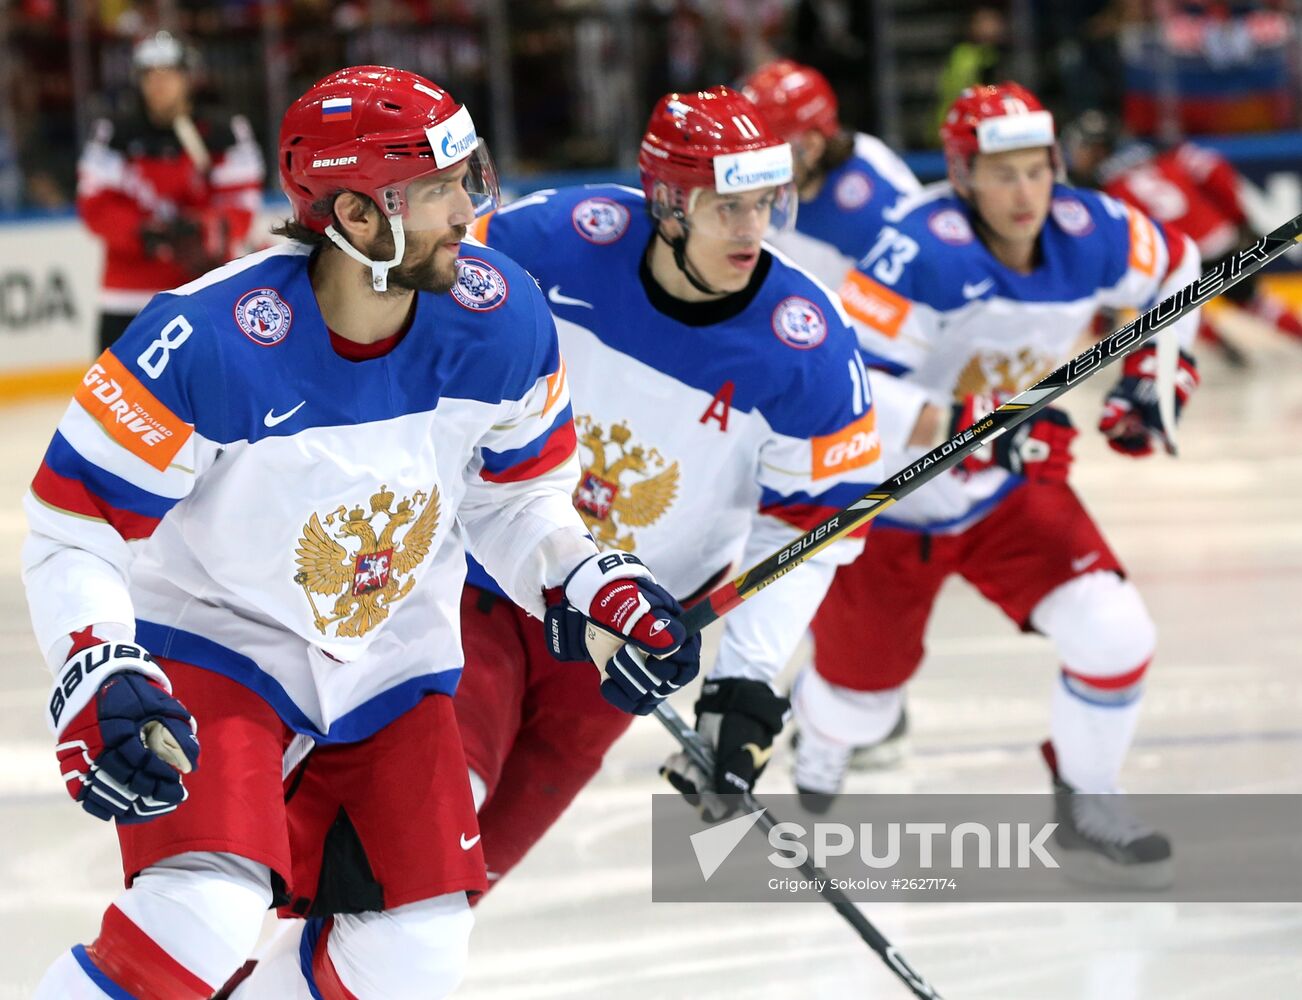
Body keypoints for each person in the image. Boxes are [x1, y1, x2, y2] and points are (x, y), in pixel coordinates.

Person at [24, 65, 697, 1000]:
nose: (467, 212)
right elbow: (74, 519)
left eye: (467, 180)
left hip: (392, 658)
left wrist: (590, 580)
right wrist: (97, 663)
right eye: (434, 192)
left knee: (414, 952)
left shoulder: (500, 318)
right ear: (354, 218)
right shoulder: (207, 339)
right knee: (199, 922)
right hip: (221, 643)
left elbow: (515, 497)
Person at [455, 84, 884, 886]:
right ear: (669, 203)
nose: (752, 227)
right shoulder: (551, 242)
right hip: (484, 586)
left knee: (464, 884)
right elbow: (428, 325)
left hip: (631, 641)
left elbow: (809, 527)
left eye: (766, 202)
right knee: (425, 836)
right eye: (728, 205)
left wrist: (744, 681)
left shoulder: (809, 345)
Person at [792, 82, 1203, 889]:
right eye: (1002, 174)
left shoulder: (1090, 231)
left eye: (1037, 170)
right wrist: (969, 420)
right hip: (890, 507)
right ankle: (824, 724)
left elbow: (1177, 266)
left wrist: (1159, 370)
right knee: (858, 705)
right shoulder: (919, 252)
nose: (1025, 194)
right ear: (960, 173)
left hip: (1008, 488)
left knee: (1116, 633)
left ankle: (1091, 802)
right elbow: (847, 396)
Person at [741, 56, 919, 767]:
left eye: (772, 144)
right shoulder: (802, 178)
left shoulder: (870, 206)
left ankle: (859, 707)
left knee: (831, 553)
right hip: (815, 386)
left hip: (871, 397)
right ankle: (860, 703)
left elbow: (907, 319)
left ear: (811, 144)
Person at [76, 30, 265, 352]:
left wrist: (205, 228)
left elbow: (241, 204)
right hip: (127, 294)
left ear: (188, 78)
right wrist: (141, 232)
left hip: (203, 290)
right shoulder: (113, 133)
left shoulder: (224, 131)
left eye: (169, 73)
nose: (159, 83)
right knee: (112, 399)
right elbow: (94, 206)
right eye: (150, 74)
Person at [1065, 108, 1302, 354]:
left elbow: (1112, 248)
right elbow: (1215, 170)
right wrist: (1240, 219)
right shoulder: (1163, 150)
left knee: (1167, 305)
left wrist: (1106, 311)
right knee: (1254, 301)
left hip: (1176, 255)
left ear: (1098, 150)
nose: (1075, 156)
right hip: (1215, 239)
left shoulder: (1098, 191)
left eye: (1080, 149)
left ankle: (1223, 350)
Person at [740, 58, 921, 292]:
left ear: (812, 146)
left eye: (768, 151)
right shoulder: (761, 216)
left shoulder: (869, 157)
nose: (756, 165)